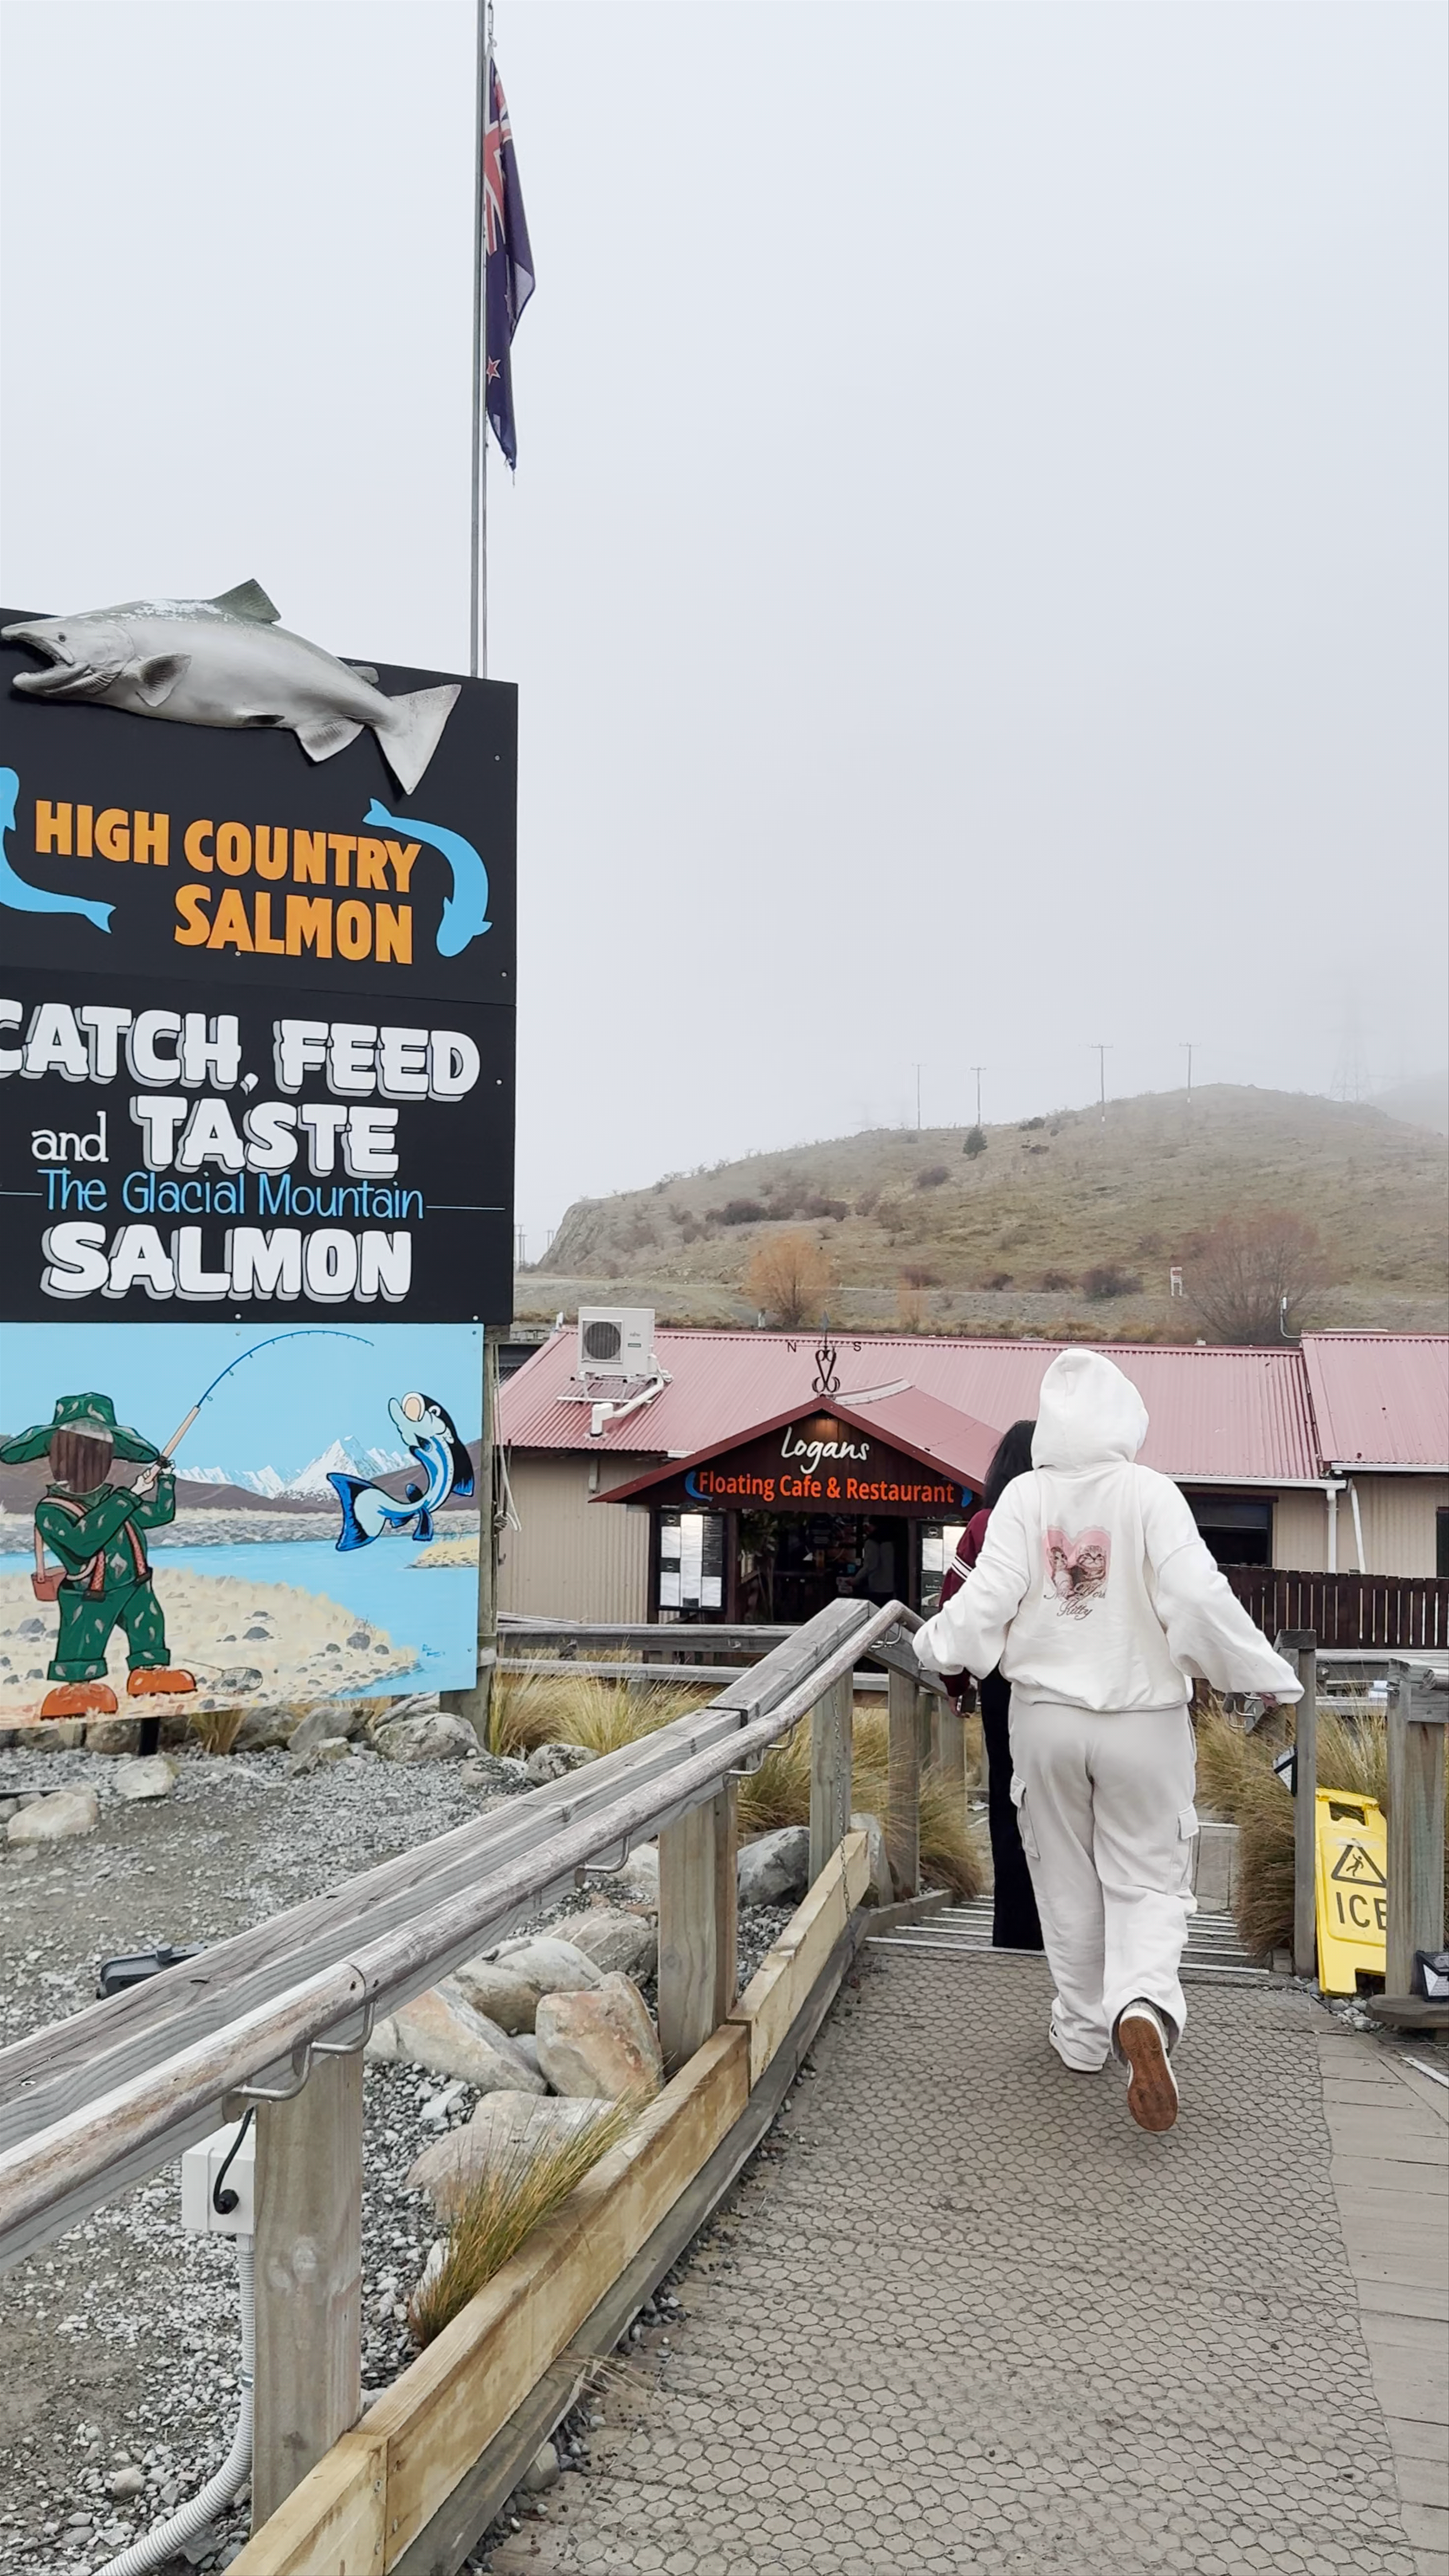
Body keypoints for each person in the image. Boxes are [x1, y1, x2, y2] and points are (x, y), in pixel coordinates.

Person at [914, 1348, 1300, 2132]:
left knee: (1064, 1877)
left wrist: (935, 1648)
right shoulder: (1151, 1493)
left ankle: (1083, 2034)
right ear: (1127, 1418)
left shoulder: (1023, 1495)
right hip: (1143, 1721)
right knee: (1149, 1879)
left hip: (1046, 1719)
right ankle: (1145, 2007)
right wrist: (1260, 1669)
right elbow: (1196, 1591)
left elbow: (985, 1597)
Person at [0, 1392, 196, 1720]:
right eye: (78, 1451)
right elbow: (85, 1540)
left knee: (147, 1622)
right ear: (57, 1456)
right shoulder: (51, 1511)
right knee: (83, 1639)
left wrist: (163, 1481)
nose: (89, 1460)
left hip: (136, 1586)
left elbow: (158, 1515)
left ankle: (148, 1670)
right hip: (89, 1595)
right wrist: (131, 1494)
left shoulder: (114, 1498)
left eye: (98, 1452)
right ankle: (76, 1687)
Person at [937, 1421, 1044, 1952]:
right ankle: (1074, 1940)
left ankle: (1016, 1934)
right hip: (1067, 1686)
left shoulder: (984, 1525)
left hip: (1004, 1685)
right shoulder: (1067, 1523)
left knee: (1009, 1803)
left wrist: (957, 1681)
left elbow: (955, 1609)